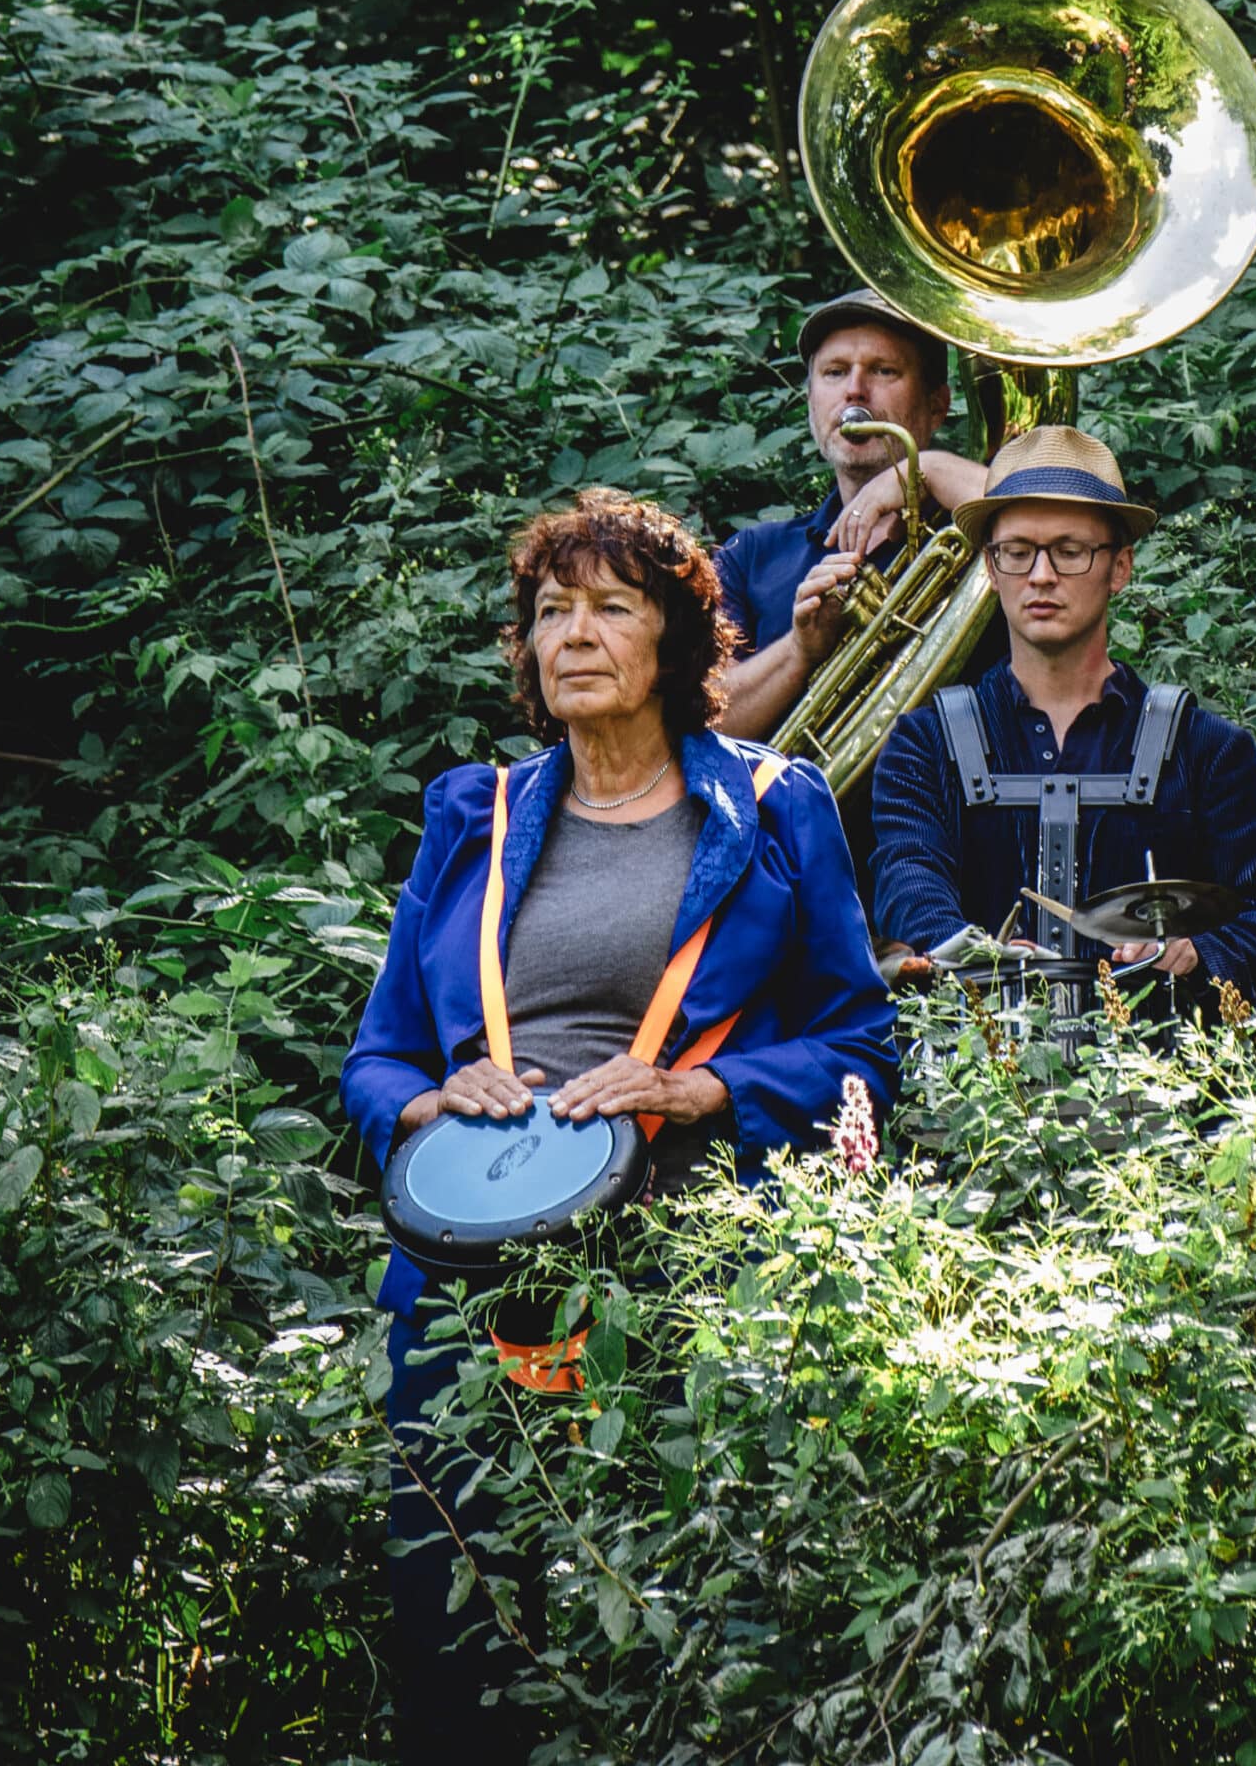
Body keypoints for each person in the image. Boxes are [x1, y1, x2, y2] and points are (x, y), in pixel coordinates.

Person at [342, 488, 896, 1761]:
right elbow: (376, 1058)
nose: (575, 634)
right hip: (464, 1273)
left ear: (677, 640)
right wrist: (431, 1098)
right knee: (454, 1615)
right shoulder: (471, 812)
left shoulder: (774, 805)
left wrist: (703, 1091)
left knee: (683, 1618)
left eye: (610, 607)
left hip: (684, 1261)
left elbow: (865, 1046)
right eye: (552, 611)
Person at [869, 426, 1256, 1008]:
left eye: (1070, 551)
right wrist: (973, 955)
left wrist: (1198, 955)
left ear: (1119, 568)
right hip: (982, 1059)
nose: (1040, 575)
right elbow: (908, 881)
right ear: (990, 569)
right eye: (1017, 552)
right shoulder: (923, 745)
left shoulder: (1209, 750)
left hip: (1158, 1062)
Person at [716, 286, 998, 900]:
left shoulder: (980, 538)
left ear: (938, 403)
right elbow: (700, 722)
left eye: (884, 371)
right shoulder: (753, 557)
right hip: (794, 889)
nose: (855, 391)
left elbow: (1050, 531)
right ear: (812, 400)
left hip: (964, 872)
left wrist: (925, 470)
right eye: (834, 372)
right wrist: (800, 651)